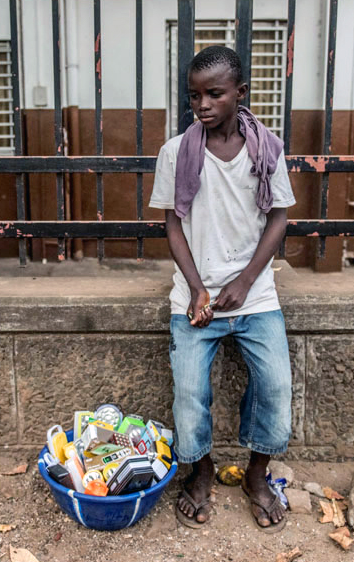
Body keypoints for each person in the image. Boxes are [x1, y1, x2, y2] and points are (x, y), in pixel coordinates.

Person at [148, 45, 295, 532]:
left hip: (254, 294)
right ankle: (201, 470)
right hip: (196, 298)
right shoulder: (176, 153)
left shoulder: (267, 148)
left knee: (274, 384)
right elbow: (172, 225)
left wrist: (246, 280)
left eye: (215, 94)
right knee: (190, 391)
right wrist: (196, 289)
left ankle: (257, 474)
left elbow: (278, 218)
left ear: (240, 93)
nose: (203, 105)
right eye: (195, 96)